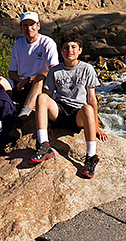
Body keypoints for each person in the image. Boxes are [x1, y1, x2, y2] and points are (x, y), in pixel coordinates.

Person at [30, 31, 108, 179]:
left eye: (73, 47)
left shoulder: (87, 69)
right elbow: (47, 96)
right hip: (59, 111)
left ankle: (91, 157)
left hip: (77, 115)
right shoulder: (55, 70)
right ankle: (44, 145)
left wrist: (96, 126)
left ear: (80, 50)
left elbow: (92, 98)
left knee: (88, 108)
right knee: (41, 97)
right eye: (66, 47)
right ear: (61, 51)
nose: (69, 50)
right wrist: (45, 124)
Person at [8, 11, 59, 120]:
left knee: (40, 78)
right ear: (21, 28)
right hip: (21, 84)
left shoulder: (47, 43)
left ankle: (23, 115)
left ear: (38, 26)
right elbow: (11, 72)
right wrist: (19, 80)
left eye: (32, 25)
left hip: (40, 84)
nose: (29, 28)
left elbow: (54, 69)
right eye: (25, 25)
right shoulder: (18, 44)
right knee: (0, 81)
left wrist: (29, 79)